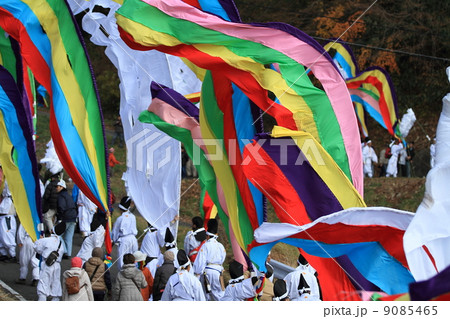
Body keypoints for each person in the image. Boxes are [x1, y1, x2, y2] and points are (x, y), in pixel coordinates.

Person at [193, 218, 226, 301]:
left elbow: (200, 262)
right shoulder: (221, 246)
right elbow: (222, 259)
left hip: (207, 272)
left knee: (205, 295)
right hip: (218, 272)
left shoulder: (205, 245)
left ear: (207, 236)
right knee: (220, 295)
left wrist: (197, 273)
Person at [33, 221, 66, 301]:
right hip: (57, 265)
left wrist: (41, 240)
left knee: (43, 285)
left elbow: (36, 247)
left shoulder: (47, 240)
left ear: (52, 230)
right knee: (56, 284)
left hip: (47, 264)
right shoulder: (61, 243)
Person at [112, 196, 138, 270]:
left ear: (120, 208)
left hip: (124, 240)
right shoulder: (133, 217)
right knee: (133, 258)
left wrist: (114, 240)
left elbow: (115, 232)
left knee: (122, 259)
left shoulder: (120, 219)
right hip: (133, 240)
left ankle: (123, 275)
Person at [56, 179, 77, 259]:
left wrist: (59, 217)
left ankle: (64, 250)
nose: (56, 188)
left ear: (62, 187)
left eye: (58, 186)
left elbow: (61, 207)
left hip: (65, 217)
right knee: (69, 236)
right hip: (73, 217)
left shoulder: (61, 196)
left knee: (58, 234)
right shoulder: (68, 195)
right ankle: (68, 253)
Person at [0, 183, 17, 263]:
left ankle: (12, 255)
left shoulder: (9, 179)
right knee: (1, 234)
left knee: (7, 233)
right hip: (4, 209)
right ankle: (4, 254)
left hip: (8, 211)